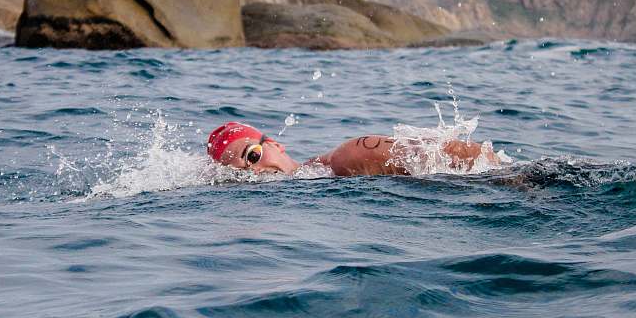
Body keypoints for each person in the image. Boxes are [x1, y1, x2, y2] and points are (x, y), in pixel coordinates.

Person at [206, 121, 502, 177]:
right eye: (241, 174)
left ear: (274, 144)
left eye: (252, 156)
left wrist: (513, 182)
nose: (256, 171)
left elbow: (477, 158)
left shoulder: (347, 158)